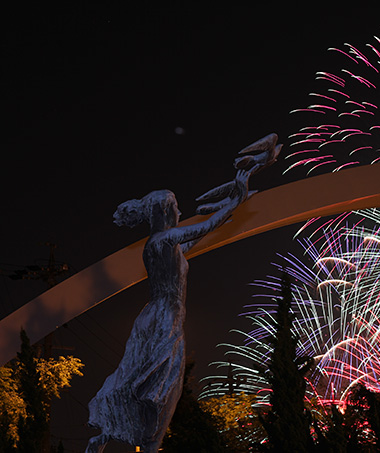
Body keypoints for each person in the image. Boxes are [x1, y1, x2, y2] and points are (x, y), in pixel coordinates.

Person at [86, 135, 278, 453]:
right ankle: (135, 441)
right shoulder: (161, 241)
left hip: (169, 318)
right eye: (176, 207)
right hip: (161, 318)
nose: (180, 210)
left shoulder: (171, 245)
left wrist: (236, 195)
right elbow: (205, 226)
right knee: (154, 385)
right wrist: (236, 198)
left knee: (161, 387)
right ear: (164, 213)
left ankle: (113, 439)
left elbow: (204, 231)